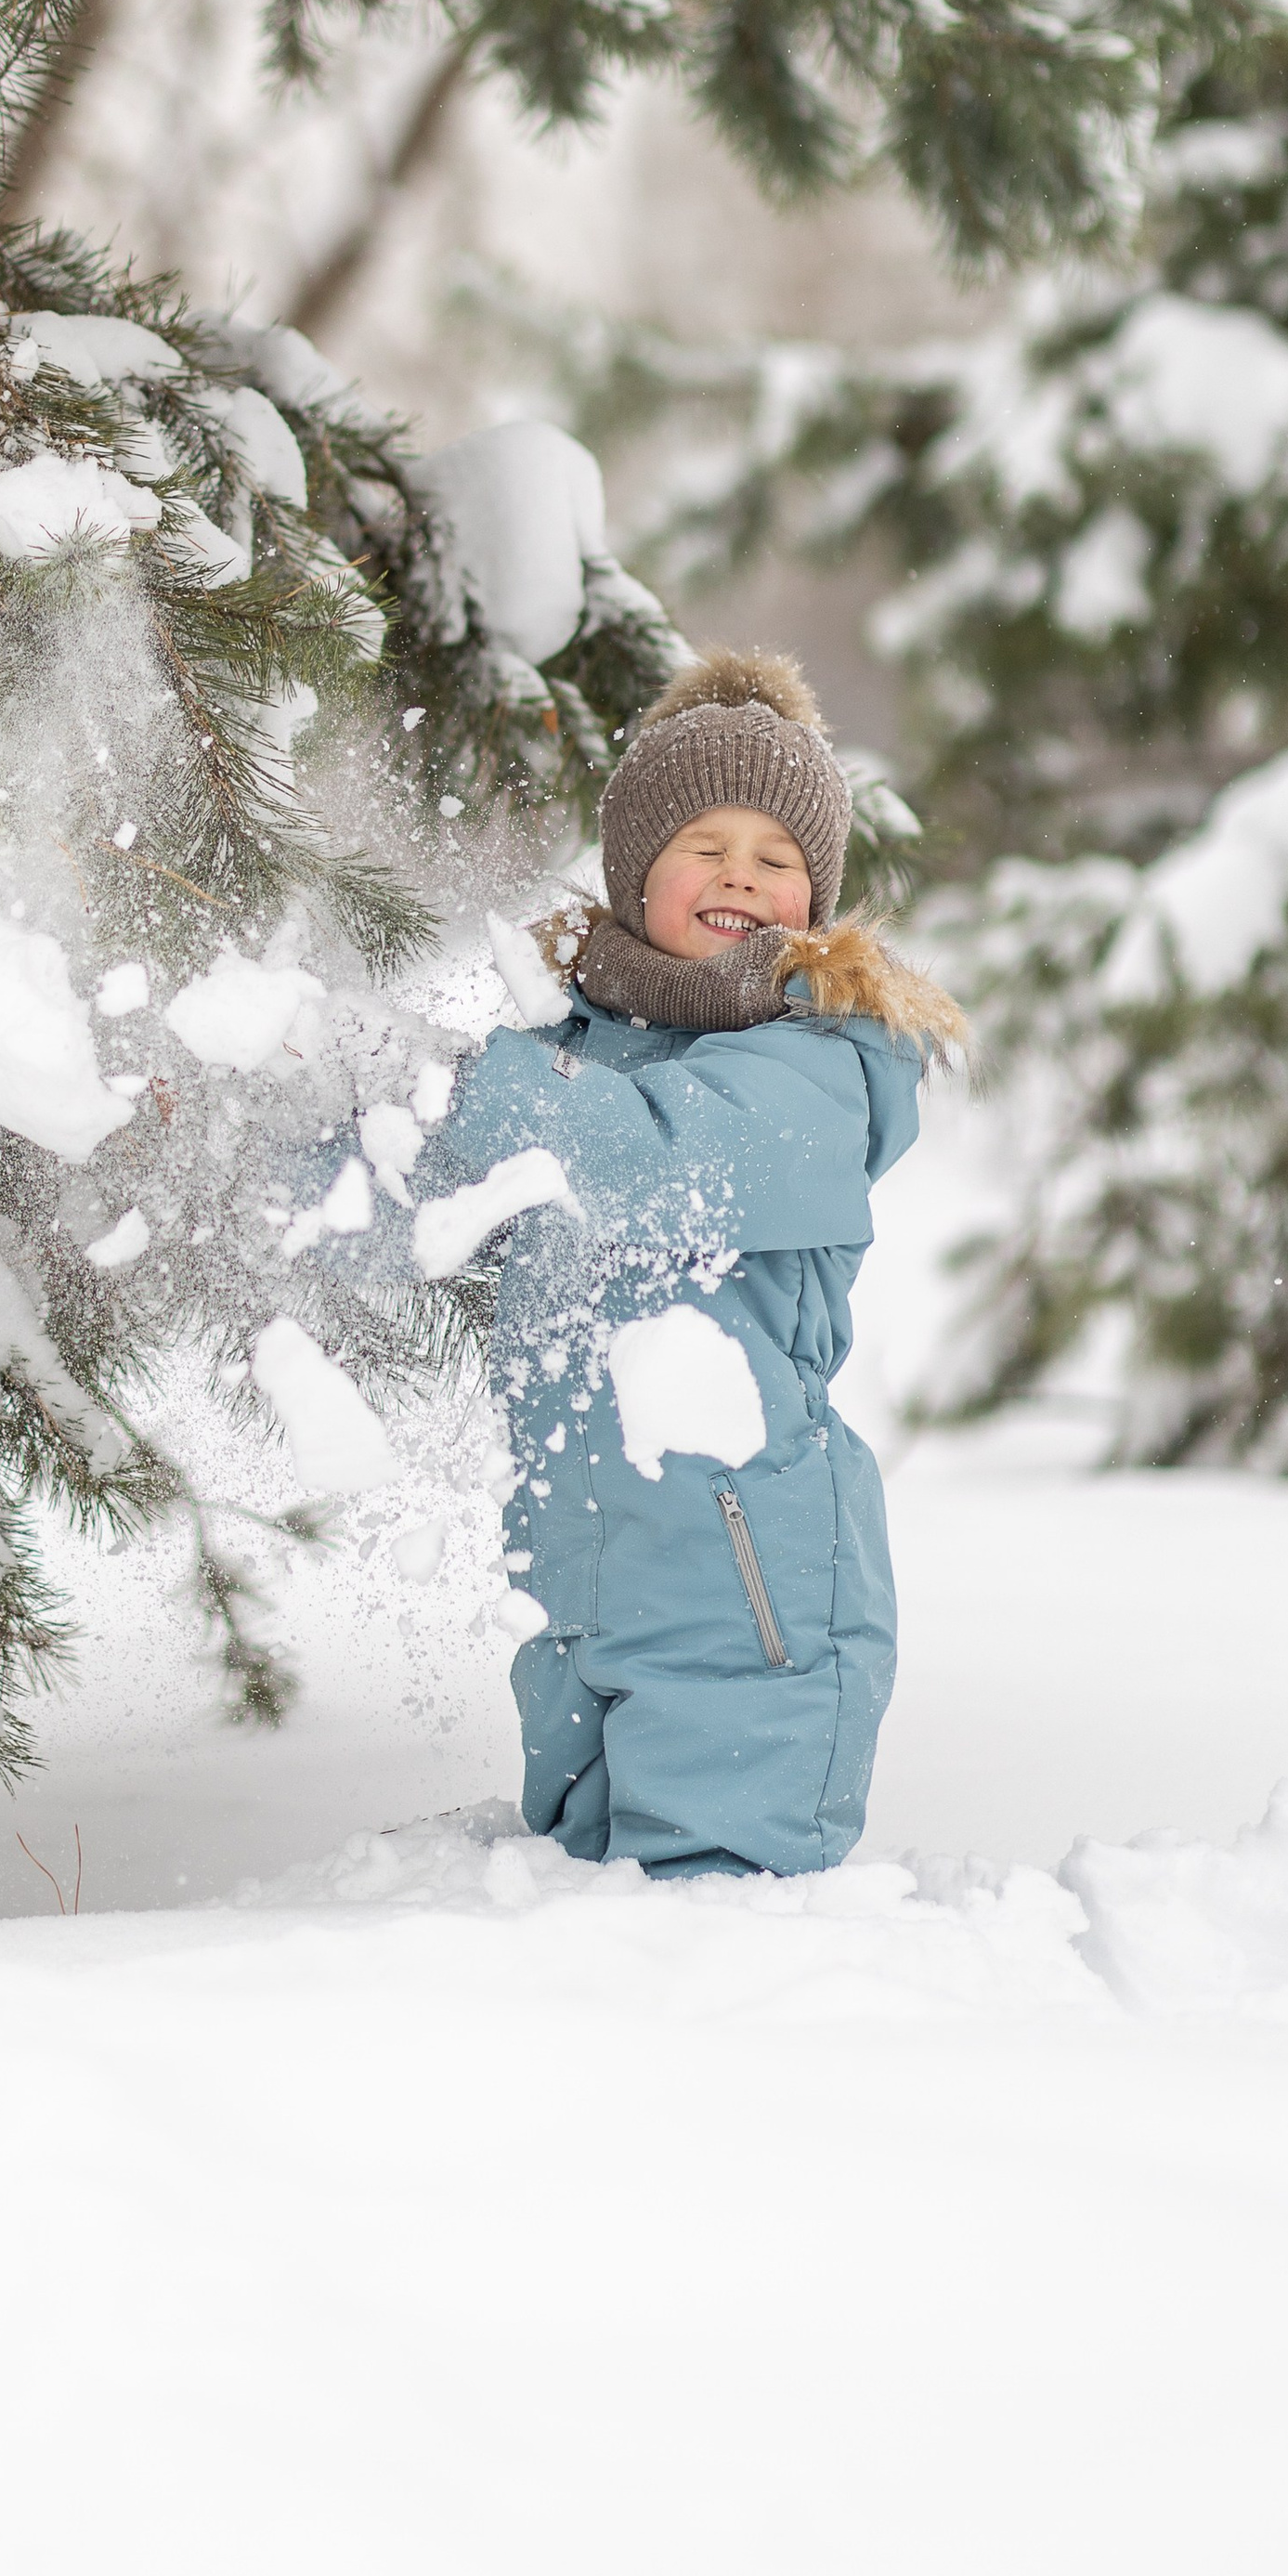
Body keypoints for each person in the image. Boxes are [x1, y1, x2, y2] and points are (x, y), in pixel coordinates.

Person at [437, 648, 965, 1879]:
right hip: (574, 1576)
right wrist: (290, 1106)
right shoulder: (572, 1054)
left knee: (714, 1921)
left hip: (744, 1583)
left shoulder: (821, 1058)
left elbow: (660, 1161)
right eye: (705, 845)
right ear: (634, 874)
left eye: (778, 857)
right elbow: (425, 1183)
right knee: (578, 1894)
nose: (742, 875)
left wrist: (462, 1085)